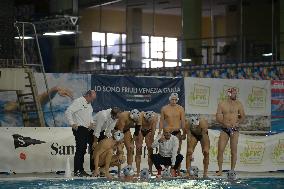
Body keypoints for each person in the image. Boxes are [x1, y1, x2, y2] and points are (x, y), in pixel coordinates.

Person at [65, 90, 97, 177]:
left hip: (86, 129)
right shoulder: (78, 101)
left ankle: (82, 170)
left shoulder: (89, 104)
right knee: (80, 149)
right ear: (88, 95)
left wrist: (91, 122)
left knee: (84, 149)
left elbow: (89, 115)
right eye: (92, 98)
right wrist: (72, 123)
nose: (92, 101)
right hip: (79, 128)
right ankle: (77, 170)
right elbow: (68, 112)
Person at [216, 87, 245, 176]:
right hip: (225, 129)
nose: (235, 95)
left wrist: (237, 123)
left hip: (234, 130)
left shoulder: (239, 104)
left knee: (233, 151)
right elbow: (218, 117)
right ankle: (220, 170)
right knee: (220, 150)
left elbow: (243, 116)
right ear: (229, 94)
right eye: (233, 93)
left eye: (236, 93)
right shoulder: (222, 104)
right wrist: (224, 123)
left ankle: (232, 170)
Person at [4, 86, 73, 112]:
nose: (29, 107)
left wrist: (60, 90)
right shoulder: (13, 105)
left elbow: (53, 89)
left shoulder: (39, 100)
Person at [134, 111, 158, 176]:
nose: (148, 122)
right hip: (140, 130)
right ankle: (138, 172)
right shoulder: (141, 116)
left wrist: (153, 141)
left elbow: (153, 131)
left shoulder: (155, 117)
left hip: (149, 131)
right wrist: (137, 140)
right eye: (147, 121)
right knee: (138, 149)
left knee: (150, 150)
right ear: (145, 118)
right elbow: (137, 130)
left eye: (150, 122)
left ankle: (150, 170)